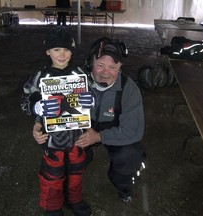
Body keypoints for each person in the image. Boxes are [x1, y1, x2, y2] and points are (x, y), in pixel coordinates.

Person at [34, 37, 146, 204]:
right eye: (100, 65)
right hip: (82, 128)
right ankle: (65, 190)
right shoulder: (75, 79)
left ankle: (123, 186)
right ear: (90, 63)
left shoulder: (129, 89)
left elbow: (134, 131)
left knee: (131, 156)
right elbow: (54, 102)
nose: (105, 72)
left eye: (113, 67)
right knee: (63, 152)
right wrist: (38, 122)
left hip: (113, 128)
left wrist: (99, 137)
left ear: (120, 67)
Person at [20, 26, 93, 216]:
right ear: (48, 51)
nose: (62, 54)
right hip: (51, 138)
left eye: (67, 49)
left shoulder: (80, 74)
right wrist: (36, 107)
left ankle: (74, 200)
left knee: (77, 170)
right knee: (52, 173)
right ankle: (52, 207)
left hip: (78, 136)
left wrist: (92, 100)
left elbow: (94, 96)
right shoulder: (40, 77)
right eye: (56, 50)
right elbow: (25, 99)